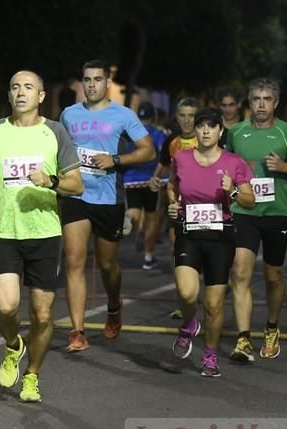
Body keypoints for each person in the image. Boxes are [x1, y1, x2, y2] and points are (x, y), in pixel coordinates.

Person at [0, 70, 83, 402]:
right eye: (15, 86)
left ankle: (32, 375)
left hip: (44, 233)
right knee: (7, 307)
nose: (21, 92)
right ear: (9, 95)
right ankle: (12, 344)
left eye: (28, 87)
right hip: (2, 230)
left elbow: (76, 184)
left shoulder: (55, 132)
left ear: (41, 96)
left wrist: (50, 180)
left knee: (43, 314)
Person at [59, 59, 154, 352]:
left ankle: (114, 305)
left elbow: (148, 151)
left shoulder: (122, 115)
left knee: (106, 264)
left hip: (108, 197)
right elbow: (59, 150)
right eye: (87, 80)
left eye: (97, 80)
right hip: (75, 195)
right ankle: (77, 331)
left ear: (107, 82)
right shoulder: (68, 115)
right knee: (74, 261)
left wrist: (115, 160)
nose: (91, 85)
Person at [227, 78, 287, 362]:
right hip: (243, 211)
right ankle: (243, 338)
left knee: (273, 276)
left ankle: (271, 327)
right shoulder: (236, 132)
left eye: (267, 99)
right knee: (240, 270)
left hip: (276, 212)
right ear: (249, 102)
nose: (261, 104)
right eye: (256, 99)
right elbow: (224, 164)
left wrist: (284, 166)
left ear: (276, 103)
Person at [168, 108, 254, 377]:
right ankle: (189, 324)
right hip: (189, 234)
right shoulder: (181, 158)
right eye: (201, 126)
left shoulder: (233, 162)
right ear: (195, 130)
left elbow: (250, 200)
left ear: (220, 131)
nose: (206, 131)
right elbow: (172, 185)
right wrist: (173, 205)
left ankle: (210, 355)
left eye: (212, 126)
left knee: (214, 305)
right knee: (186, 292)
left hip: (220, 238)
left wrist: (235, 190)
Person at [150, 97, 199, 318]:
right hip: (178, 205)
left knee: (203, 254)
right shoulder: (171, 141)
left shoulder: (206, 138)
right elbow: (161, 168)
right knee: (177, 252)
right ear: (177, 118)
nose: (187, 121)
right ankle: (183, 303)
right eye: (183, 115)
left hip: (204, 206)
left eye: (191, 116)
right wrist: (154, 179)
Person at [122, 101, 165, 269]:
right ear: (153, 116)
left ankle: (131, 221)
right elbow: (164, 154)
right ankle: (148, 258)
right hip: (151, 180)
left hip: (131, 179)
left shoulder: (130, 133)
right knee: (152, 219)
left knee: (133, 210)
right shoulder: (157, 133)